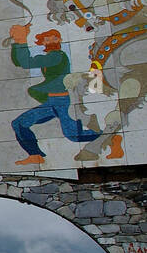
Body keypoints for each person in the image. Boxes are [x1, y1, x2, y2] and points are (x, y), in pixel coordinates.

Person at [9, 25, 100, 166]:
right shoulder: (51, 57)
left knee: (74, 136)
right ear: (42, 42)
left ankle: (106, 135)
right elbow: (19, 62)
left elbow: (26, 62)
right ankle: (35, 155)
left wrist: (21, 40)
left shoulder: (57, 56)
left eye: (55, 37)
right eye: (47, 38)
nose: (51, 40)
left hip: (60, 101)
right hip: (52, 101)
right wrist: (17, 41)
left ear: (60, 40)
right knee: (19, 123)